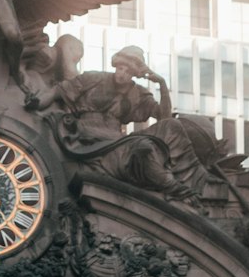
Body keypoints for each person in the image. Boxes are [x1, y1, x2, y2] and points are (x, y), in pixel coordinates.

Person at [26, 45, 215, 203]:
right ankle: (176, 189)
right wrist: (37, 102)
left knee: (172, 126)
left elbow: (164, 116)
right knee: (145, 148)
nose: (122, 73)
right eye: (120, 68)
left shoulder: (138, 94)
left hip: (116, 139)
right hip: (89, 136)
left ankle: (192, 179)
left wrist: (162, 85)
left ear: (134, 73)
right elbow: (58, 91)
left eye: (128, 70)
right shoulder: (94, 78)